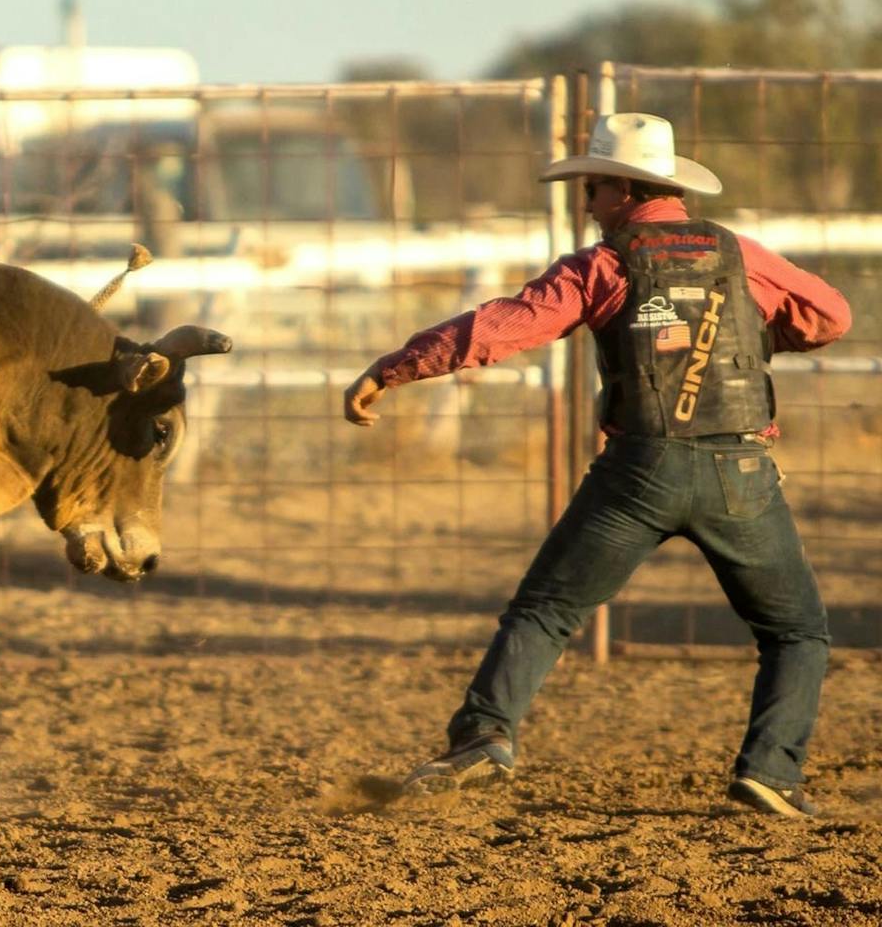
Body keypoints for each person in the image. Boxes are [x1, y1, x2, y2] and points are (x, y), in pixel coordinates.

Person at [343, 112, 851, 818]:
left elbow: (503, 326)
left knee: (547, 610)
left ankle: (483, 739)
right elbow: (829, 315)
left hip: (638, 472)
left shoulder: (604, 265)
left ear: (621, 188)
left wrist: (394, 369)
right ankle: (771, 771)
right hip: (741, 472)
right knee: (796, 632)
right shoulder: (743, 256)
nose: (586, 204)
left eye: (591, 189)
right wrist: (753, 330)